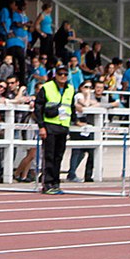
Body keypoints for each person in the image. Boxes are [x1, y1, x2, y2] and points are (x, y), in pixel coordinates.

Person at [35, 65, 75, 195]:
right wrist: (41, 126)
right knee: (49, 156)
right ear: (55, 75)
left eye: (65, 74)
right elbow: (38, 108)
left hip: (63, 126)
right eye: (60, 74)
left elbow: (71, 107)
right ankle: (47, 184)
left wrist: (76, 121)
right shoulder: (47, 87)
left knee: (58, 156)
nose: (63, 76)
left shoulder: (70, 89)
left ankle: (56, 183)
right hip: (50, 125)